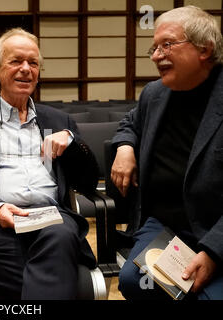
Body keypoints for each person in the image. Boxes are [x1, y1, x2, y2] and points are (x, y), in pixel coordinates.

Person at [0, 28, 99, 299]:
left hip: (51, 220)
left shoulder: (60, 122)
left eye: (33, 63)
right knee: (46, 272)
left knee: (59, 236)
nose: (26, 69)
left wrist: (71, 143)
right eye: (16, 61)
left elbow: (88, 182)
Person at [111, 6, 223, 300]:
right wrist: (125, 148)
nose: (156, 55)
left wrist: (213, 251)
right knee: (134, 281)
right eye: (154, 47)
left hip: (215, 228)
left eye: (167, 45)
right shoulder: (155, 94)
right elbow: (129, 124)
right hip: (165, 226)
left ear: (204, 49)